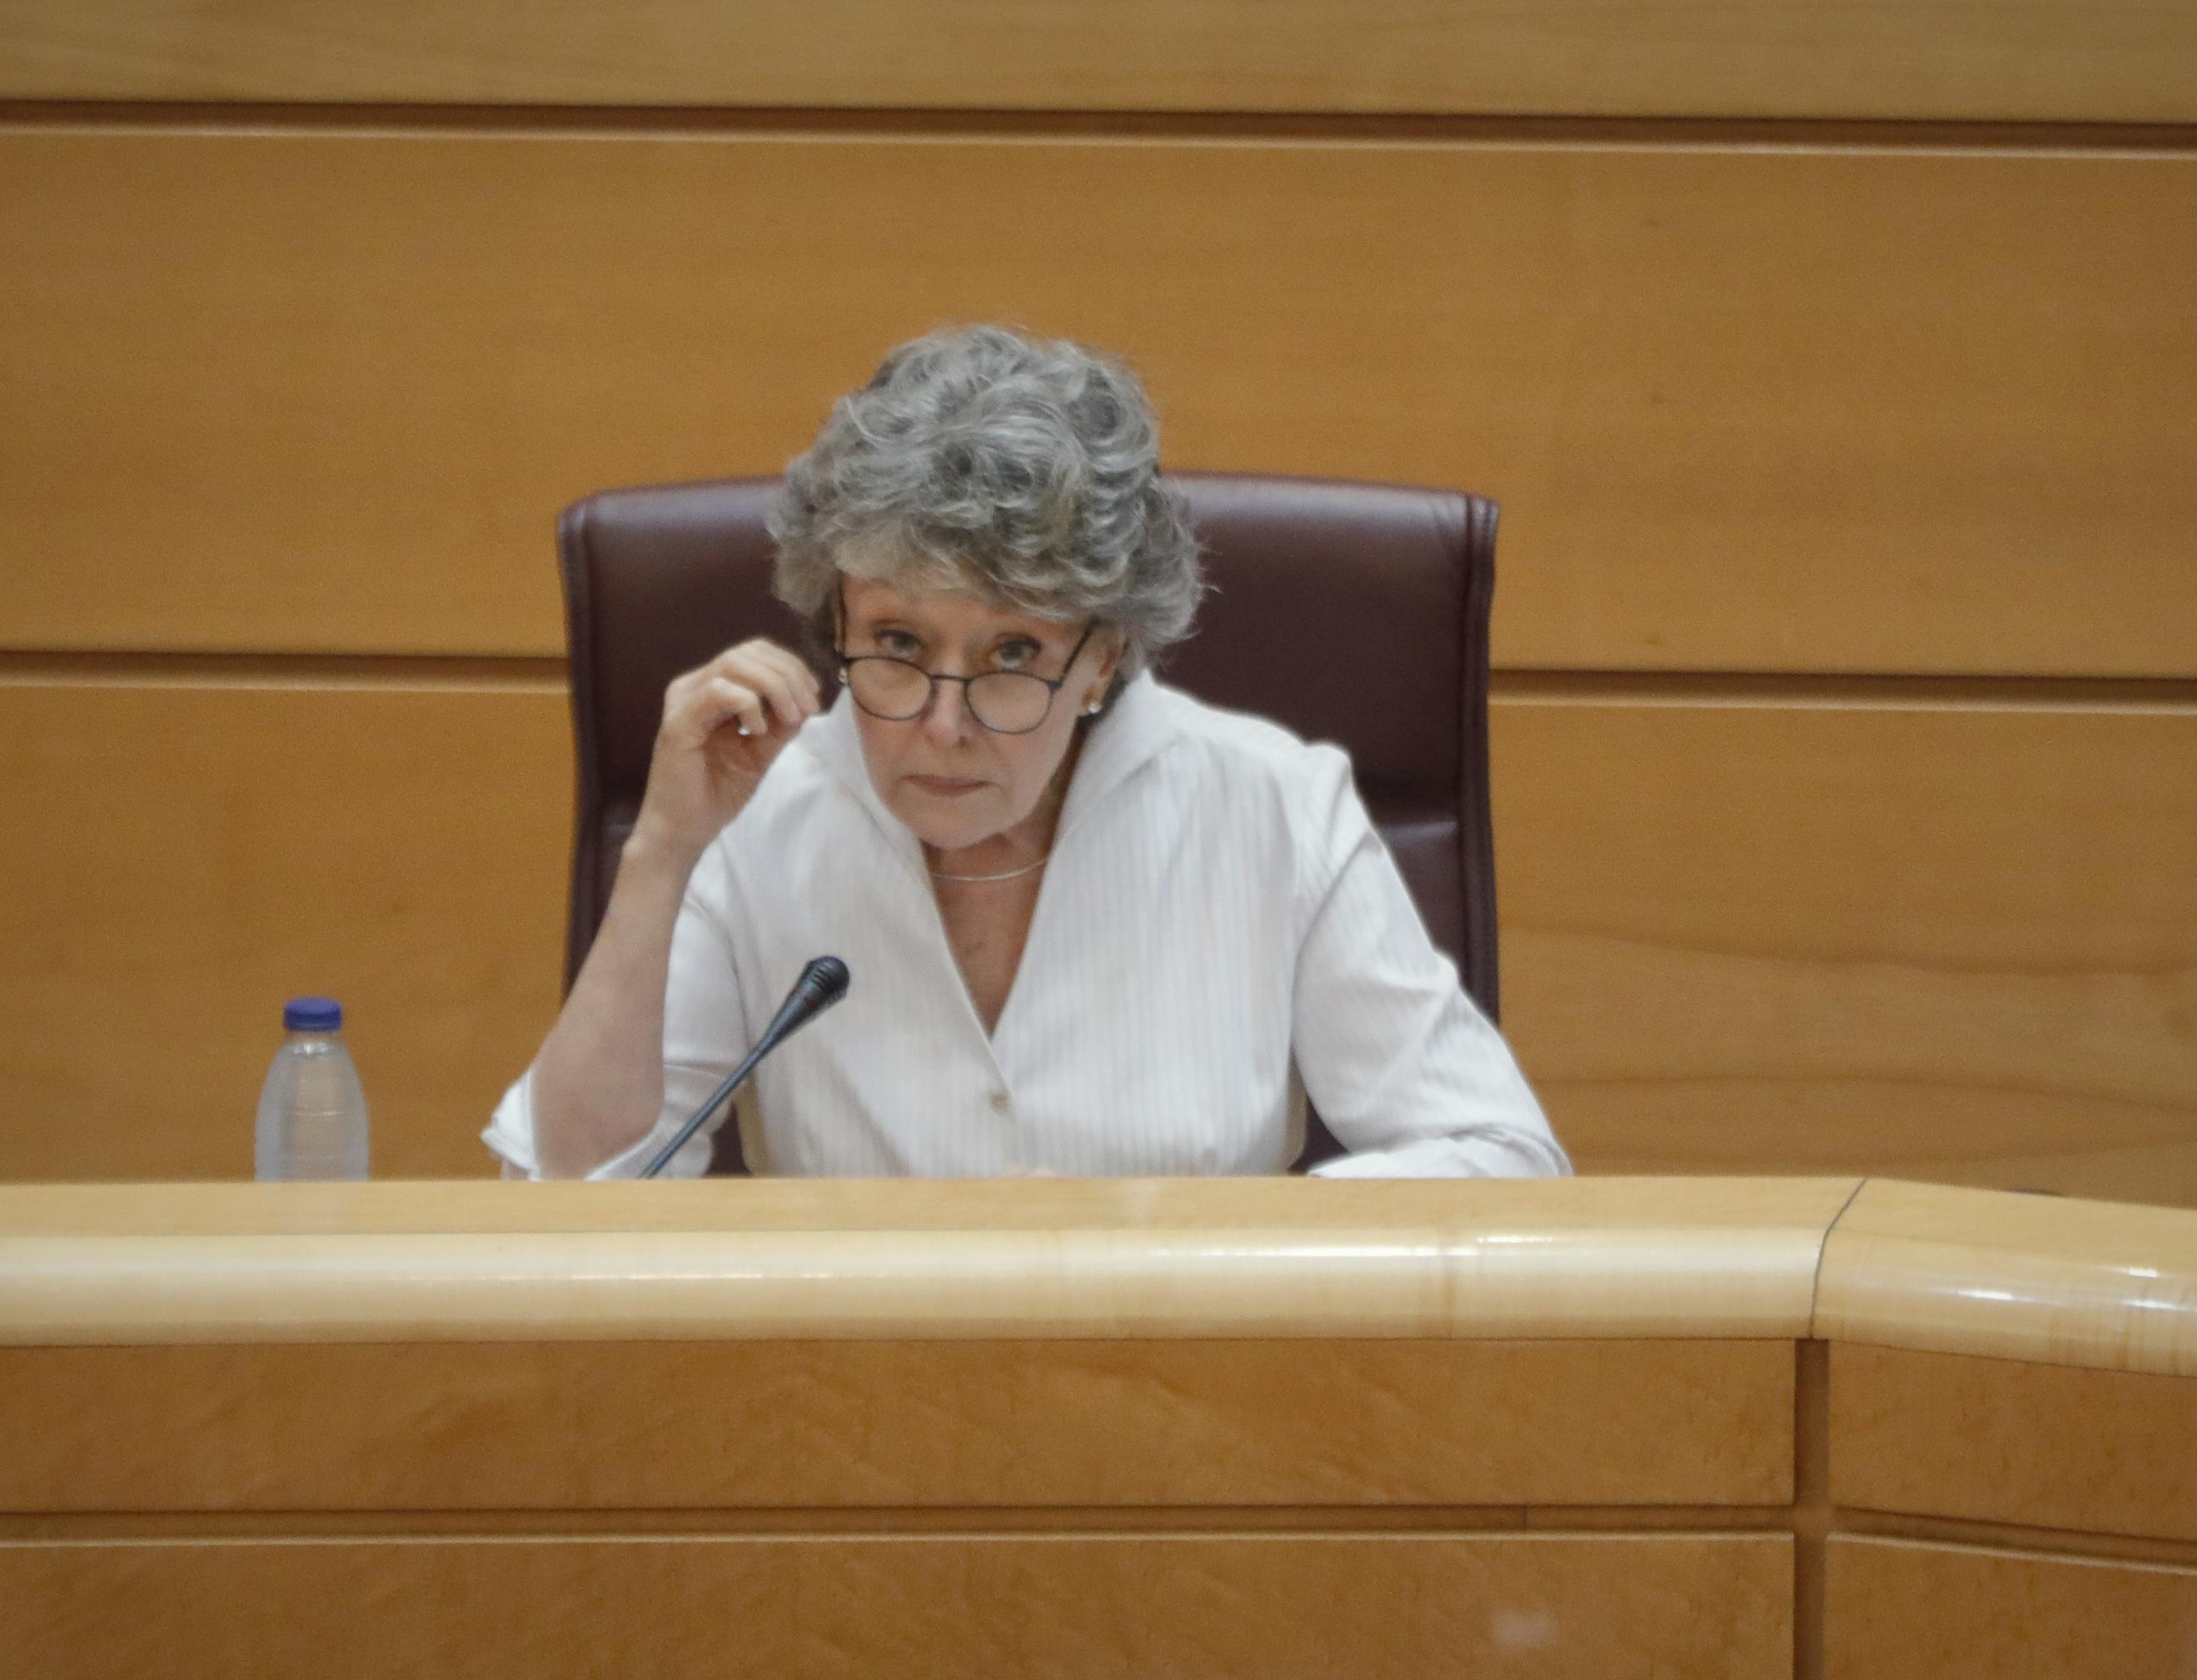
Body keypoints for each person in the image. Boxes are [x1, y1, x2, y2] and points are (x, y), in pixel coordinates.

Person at [485, 326, 1567, 1180]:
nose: (944, 723)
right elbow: (568, 1195)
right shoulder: (761, 811)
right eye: (900, 644)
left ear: (1105, 658)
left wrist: (1165, 1246)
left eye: (1013, 653)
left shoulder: (1274, 808)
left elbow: (1504, 1158)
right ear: (839, 623)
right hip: (831, 1416)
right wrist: (665, 848)